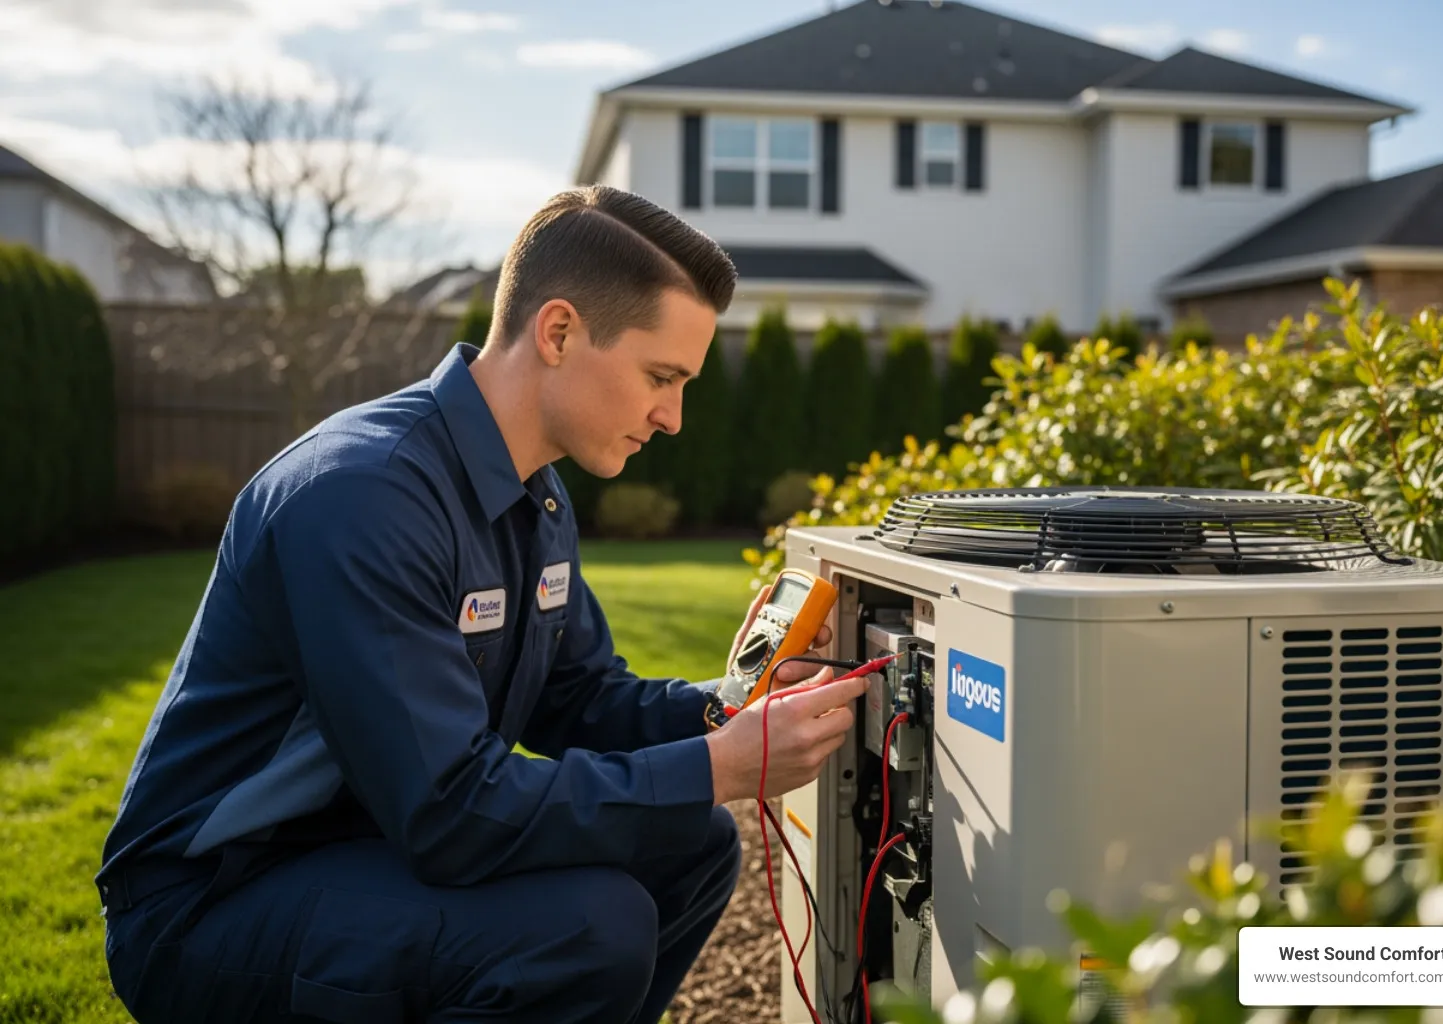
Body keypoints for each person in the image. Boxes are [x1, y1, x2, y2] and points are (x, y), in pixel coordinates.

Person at [97, 185, 868, 1024]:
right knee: (586, 932)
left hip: (363, 845)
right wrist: (720, 769)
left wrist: (732, 712)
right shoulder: (362, 496)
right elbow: (449, 813)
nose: (673, 417)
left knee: (694, 844)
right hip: (213, 900)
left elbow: (577, 698)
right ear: (560, 332)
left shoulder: (534, 493)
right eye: (661, 376)